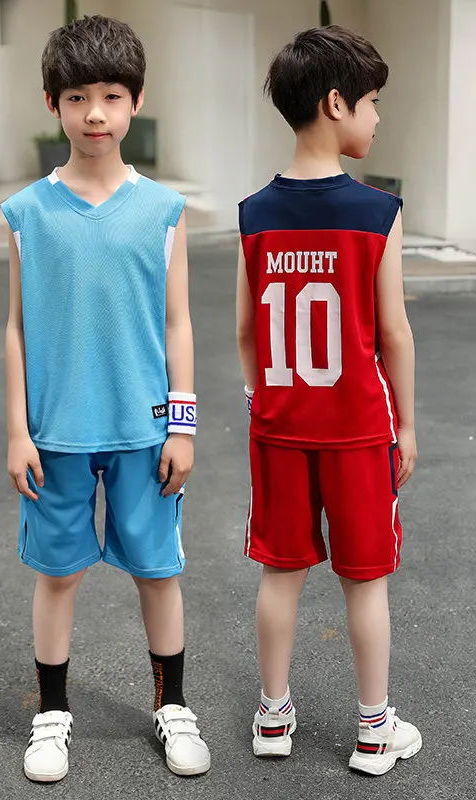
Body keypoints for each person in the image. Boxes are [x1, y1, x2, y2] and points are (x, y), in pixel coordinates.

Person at [2, 14, 210, 784]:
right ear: (52, 104)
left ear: (136, 102)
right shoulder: (27, 213)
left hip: (144, 429)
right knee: (57, 575)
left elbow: (179, 322)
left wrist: (183, 425)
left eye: (112, 96)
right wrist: (17, 429)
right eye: (78, 97)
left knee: (158, 572)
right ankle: (52, 716)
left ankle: (172, 706)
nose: (95, 113)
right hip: (55, 432)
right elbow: (16, 329)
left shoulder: (163, 210)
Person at [236, 25, 421, 775]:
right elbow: (395, 334)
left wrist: (263, 396)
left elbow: (246, 331)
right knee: (365, 580)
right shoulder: (378, 212)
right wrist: (408, 426)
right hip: (356, 427)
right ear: (336, 103)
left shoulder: (254, 213)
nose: (377, 117)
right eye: (372, 102)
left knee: (280, 573)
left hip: (279, 425)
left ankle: (273, 715)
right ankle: (374, 730)